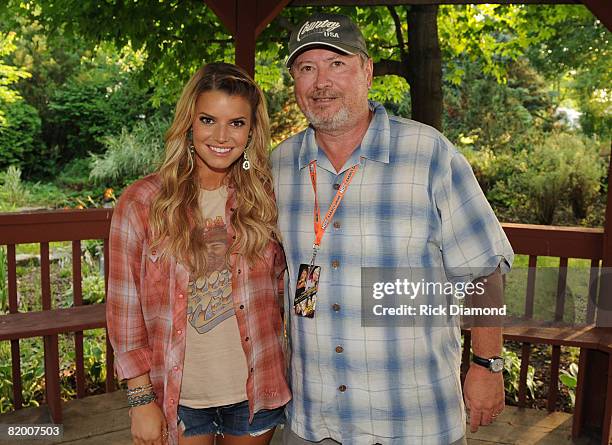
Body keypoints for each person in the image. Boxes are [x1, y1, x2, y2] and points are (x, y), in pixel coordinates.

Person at [271, 12, 514, 445]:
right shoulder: (279, 166)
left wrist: (487, 364)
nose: (321, 81)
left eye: (336, 64)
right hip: (314, 421)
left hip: (413, 419)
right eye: (307, 68)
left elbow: (484, 269)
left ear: (367, 71)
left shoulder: (429, 153)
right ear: (294, 80)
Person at [107, 62, 290, 445]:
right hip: (179, 397)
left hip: (256, 392)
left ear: (252, 130)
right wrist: (141, 400)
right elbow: (124, 313)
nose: (222, 136)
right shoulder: (143, 202)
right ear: (189, 123)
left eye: (237, 123)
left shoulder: (267, 200)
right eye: (209, 119)